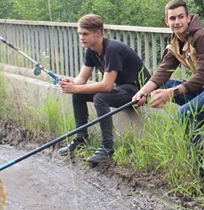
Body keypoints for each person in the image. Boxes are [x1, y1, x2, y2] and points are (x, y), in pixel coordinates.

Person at [132, 0, 204, 146]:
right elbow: (163, 72)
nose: (177, 22)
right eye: (172, 18)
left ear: (188, 18)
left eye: (180, 17)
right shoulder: (175, 41)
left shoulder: (202, 37)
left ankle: (198, 166)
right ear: (166, 21)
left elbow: (203, 75)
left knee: (184, 114)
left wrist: (171, 93)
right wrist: (142, 93)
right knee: (163, 85)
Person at [58, 14, 149, 166]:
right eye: (80, 34)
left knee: (100, 97)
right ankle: (81, 139)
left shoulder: (112, 50)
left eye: (85, 34)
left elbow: (106, 86)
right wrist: (70, 83)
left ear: (98, 33)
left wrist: (77, 87)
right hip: (123, 88)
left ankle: (107, 147)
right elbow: (81, 79)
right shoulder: (91, 50)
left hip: (138, 92)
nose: (81, 37)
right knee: (78, 94)